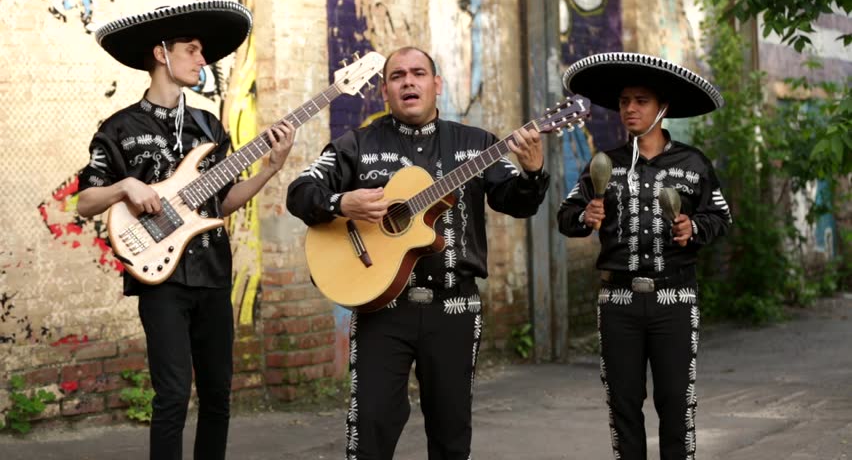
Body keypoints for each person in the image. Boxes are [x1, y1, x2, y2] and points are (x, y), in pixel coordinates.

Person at [287, 46, 550, 459]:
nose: (409, 81)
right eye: (397, 76)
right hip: (382, 310)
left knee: (450, 433)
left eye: (419, 73)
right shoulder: (356, 144)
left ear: (436, 85)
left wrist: (533, 172)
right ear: (385, 92)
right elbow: (300, 192)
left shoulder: (476, 145)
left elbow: (518, 202)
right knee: (370, 427)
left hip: (454, 307)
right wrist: (343, 204)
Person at [76, 0, 296, 460]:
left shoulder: (209, 127)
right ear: (161, 53)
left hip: (214, 274)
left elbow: (225, 201)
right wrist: (126, 185)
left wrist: (270, 170)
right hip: (161, 281)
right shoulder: (118, 128)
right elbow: (86, 202)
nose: (203, 60)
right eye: (192, 50)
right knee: (173, 395)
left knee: (218, 396)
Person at [558, 52, 732, 460]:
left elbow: (721, 217)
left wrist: (694, 227)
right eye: (624, 102)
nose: (630, 109)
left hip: (675, 299)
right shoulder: (605, 164)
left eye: (641, 101)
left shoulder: (693, 164)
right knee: (623, 406)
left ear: (663, 108)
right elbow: (566, 216)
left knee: (676, 404)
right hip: (617, 302)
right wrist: (586, 214)